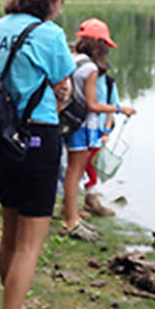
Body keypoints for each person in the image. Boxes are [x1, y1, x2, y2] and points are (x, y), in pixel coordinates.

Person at [0, 0, 76, 309]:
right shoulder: (49, 34)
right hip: (39, 139)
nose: (61, 8)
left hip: (5, 139)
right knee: (30, 245)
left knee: (10, 234)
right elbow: (64, 88)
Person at [61, 18, 136, 240]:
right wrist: (121, 109)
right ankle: (71, 220)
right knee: (75, 172)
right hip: (85, 125)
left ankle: (70, 213)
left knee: (71, 172)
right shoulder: (91, 68)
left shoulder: (72, 60)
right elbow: (93, 104)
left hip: (69, 122)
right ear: (99, 45)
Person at [81, 66, 120, 217]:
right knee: (78, 165)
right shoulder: (82, 77)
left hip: (98, 130)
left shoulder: (109, 83)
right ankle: (81, 200)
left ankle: (91, 198)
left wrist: (107, 131)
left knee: (92, 165)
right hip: (81, 127)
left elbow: (112, 107)